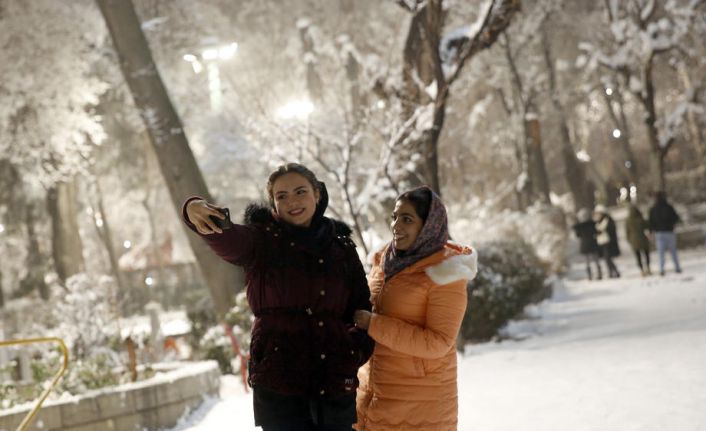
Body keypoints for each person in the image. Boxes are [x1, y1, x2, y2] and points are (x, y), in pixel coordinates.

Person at [182, 163, 374, 430]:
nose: (292, 201)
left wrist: (353, 349)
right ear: (273, 204)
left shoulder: (341, 247)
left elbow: (361, 306)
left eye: (300, 191)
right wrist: (194, 209)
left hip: (334, 378)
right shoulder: (261, 241)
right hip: (280, 378)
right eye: (281, 196)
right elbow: (229, 239)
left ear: (317, 194)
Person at [352, 186, 477, 431]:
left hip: (420, 407)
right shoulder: (383, 263)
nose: (396, 225)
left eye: (407, 219)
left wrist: (373, 324)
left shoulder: (445, 274)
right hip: (374, 396)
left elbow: (438, 342)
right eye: (395, 217)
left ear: (428, 226)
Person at [648, 191, 682, 276]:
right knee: (673, 251)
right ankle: (677, 267)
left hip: (659, 233)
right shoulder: (668, 207)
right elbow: (676, 217)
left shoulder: (653, 209)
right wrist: (672, 225)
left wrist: (651, 231)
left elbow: (651, 222)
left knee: (661, 253)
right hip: (669, 232)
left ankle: (662, 269)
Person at [572, 208, 603, 281]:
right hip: (592, 243)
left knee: (588, 261)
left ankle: (590, 276)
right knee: (595, 259)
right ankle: (599, 274)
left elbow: (578, 235)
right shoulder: (592, 224)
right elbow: (597, 232)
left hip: (584, 245)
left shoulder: (579, 226)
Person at [594, 204, 621, 278]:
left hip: (607, 241)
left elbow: (610, 230)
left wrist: (601, 231)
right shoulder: (598, 221)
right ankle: (613, 272)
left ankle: (613, 272)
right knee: (606, 259)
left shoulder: (607, 220)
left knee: (607, 258)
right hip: (601, 242)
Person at [625, 203, 652, 276]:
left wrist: (629, 240)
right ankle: (648, 268)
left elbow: (627, 232)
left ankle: (642, 270)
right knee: (646, 254)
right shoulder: (640, 218)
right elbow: (647, 226)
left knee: (638, 256)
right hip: (643, 238)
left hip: (634, 240)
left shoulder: (628, 220)